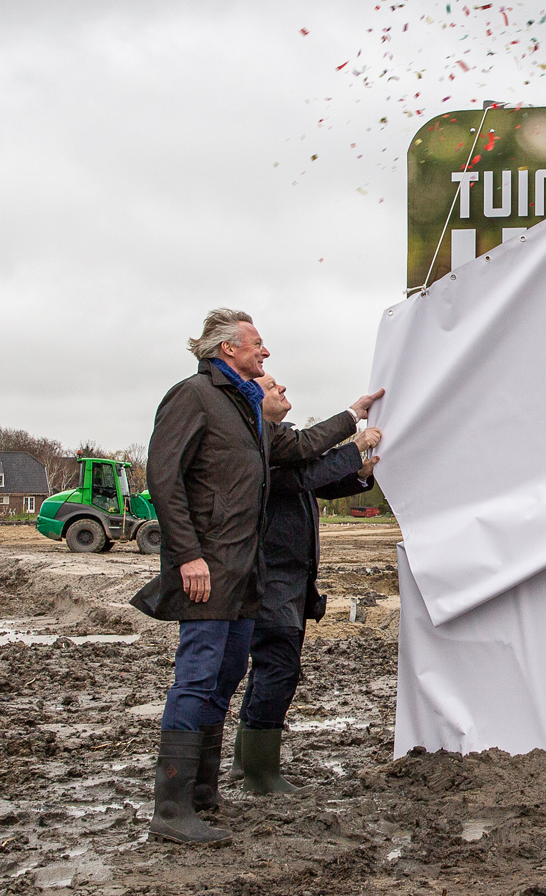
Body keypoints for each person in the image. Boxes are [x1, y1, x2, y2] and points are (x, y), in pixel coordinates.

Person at [133, 308, 384, 846]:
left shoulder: (246, 409)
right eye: (257, 343)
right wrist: (187, 555)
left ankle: (202, 795)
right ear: (228, 349)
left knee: (223, 680)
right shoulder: (193, 396)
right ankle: (171, 810)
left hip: (247, 575)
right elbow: (164, 476)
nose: (265, 352)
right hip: (208, 572)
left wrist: (353, 415)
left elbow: (298, 450)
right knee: (196, 680)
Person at [234, 379, 381, 794]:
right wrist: (353, 446)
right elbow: (302, 476)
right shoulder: (256, 443)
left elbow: (314, 480)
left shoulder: (276, 441)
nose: (281, 386)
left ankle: (247, 762)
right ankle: (261, 776)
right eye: (270, 385)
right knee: (279, 668)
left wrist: (358, 475)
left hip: (289, 579)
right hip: (271, 578)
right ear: (252, 398)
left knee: (269, 667)